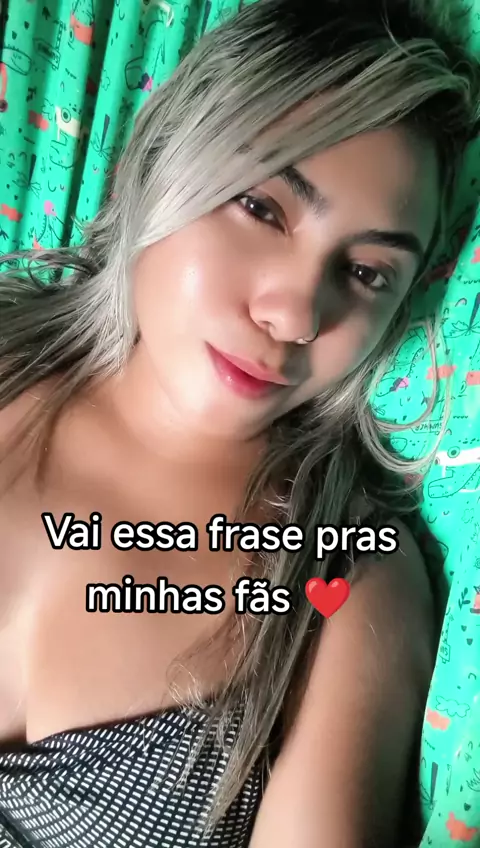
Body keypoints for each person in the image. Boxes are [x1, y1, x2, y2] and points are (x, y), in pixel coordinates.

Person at [0, 0, 478, 845]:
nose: (296, 314)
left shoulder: (347, 583)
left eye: (367, 272)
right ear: (161, 161)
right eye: (262, 208)